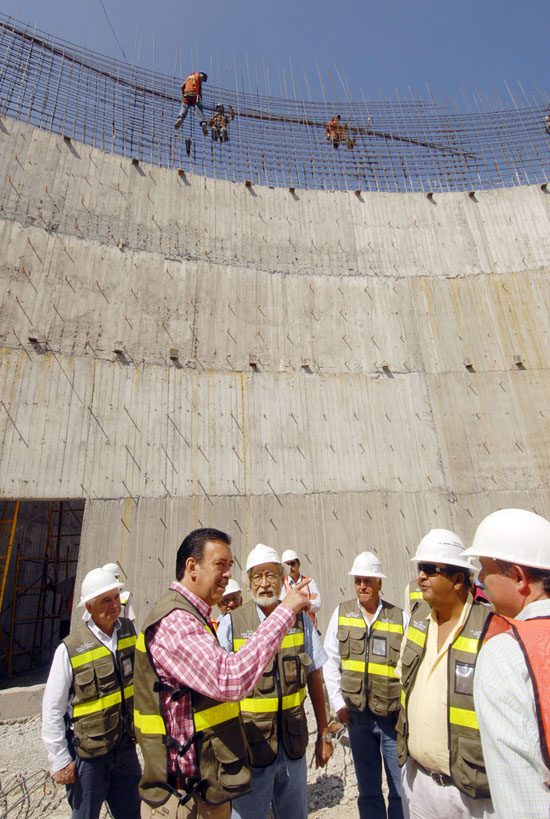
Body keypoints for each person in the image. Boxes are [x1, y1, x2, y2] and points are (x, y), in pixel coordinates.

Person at [133, 528, 312, 819]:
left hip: (206, 788)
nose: (228, 574)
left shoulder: (195, 617)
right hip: (183, 798)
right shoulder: (177, 622)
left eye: (230, 566)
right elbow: (232, 680)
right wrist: (286, 611)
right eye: (220, 564)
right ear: (192, 566)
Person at [217, 543, 332, 819]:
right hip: (251, 749)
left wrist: (324, 733)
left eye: (270, 575)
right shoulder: (231, 624)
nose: (264, 584)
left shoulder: (301, 621)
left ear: (282, 580)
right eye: (257, 576)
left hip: (293, 745)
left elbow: (315, 675)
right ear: (249, 583)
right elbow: (218, 687)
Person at [396, 529, 494, 819]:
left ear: (458, 580)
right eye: (419, 569)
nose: (421, 577)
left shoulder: (490, 628)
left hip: (469, 794)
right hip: (419, 782)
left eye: (429, 569)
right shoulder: (417, 620)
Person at [463, 508, 550, 818]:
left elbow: (520, 794)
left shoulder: (506, 652)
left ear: (518, 577)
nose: (480, 579)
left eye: (486, 568)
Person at [42, 567, 141, 819]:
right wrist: (61, 760)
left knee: (132, 814)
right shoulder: (70, 648)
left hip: (125, 749)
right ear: (88, 606)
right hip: (89, 757)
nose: (113, 605)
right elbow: (52, 709)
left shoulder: (130, 632)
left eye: (116, 598)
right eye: (105, 600)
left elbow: (141, 683)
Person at [324, 551, 407, 819]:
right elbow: (330, 661)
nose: (362, 586)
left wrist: (404, 714)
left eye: (368, 581)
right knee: (368, 790)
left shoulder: (399, 618)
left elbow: (409, 670)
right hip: (357, 719)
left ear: (380, 583)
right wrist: (338, 705)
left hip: (390, 721)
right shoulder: (341, 613)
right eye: (358, 580)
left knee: (399, 788)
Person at [281, 548, 321, 627]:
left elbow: (318, 604)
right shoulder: (282, 584)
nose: (290, 567)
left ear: (298, 563)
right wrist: (307, 602)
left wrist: (293, 605)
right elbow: (283, 607)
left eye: (292, 563)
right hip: (291, 630)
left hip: (310, 629)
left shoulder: (309, 582)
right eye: (287, 564)